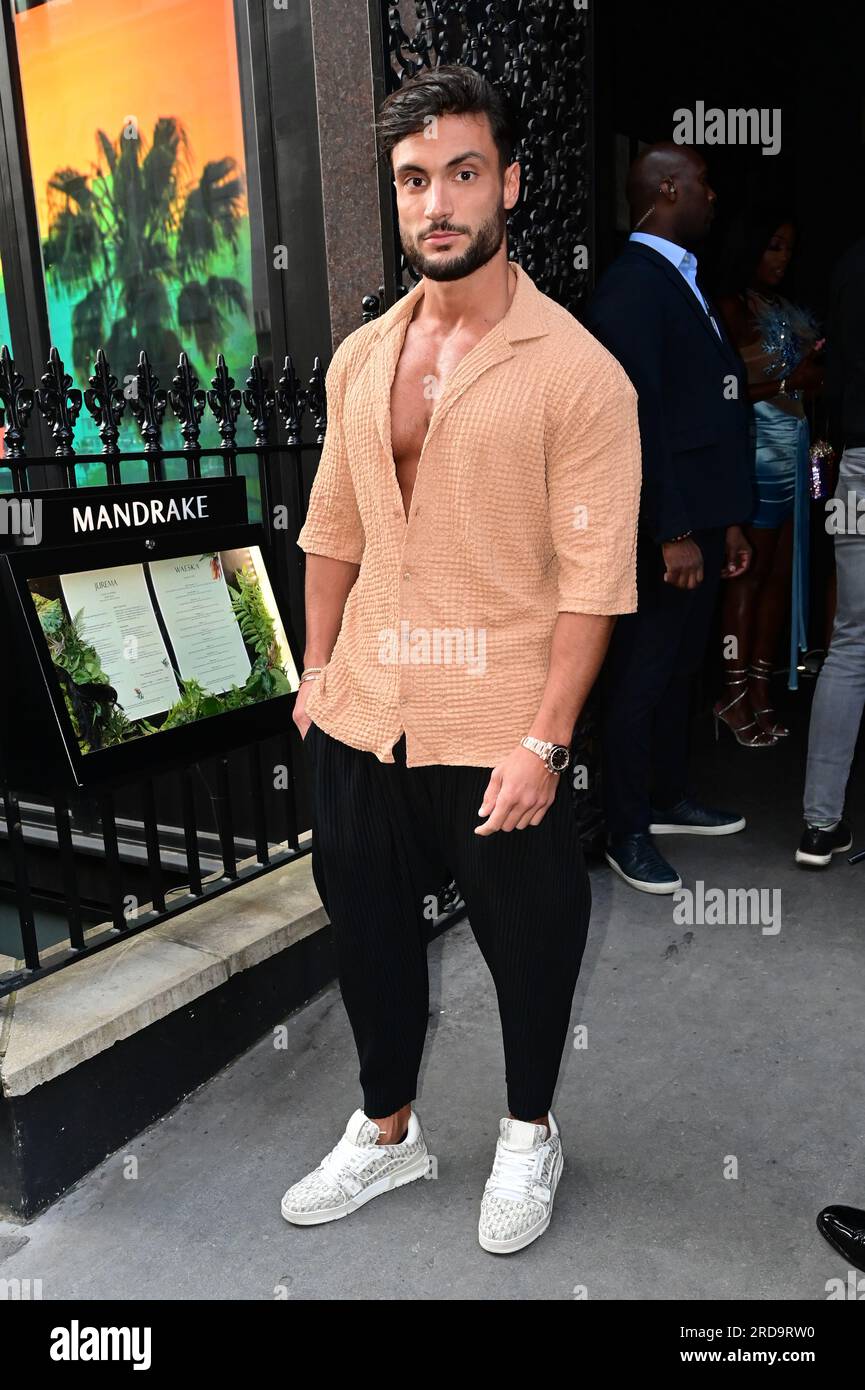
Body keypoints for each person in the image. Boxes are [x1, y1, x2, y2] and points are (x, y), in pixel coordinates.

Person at [280, 65, 642, 1254]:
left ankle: (527, 1132)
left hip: (499, 729)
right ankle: (389, 1134)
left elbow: (593, 585)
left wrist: (546, 738)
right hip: (364, 712)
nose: (437, 201)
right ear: (395, 196)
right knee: (368, 937)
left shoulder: (580, 375)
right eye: (413, 179)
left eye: (463, 174)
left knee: (530, 950)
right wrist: (316, 671)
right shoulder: (358, 360)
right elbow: (332, 527)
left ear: (510, 186)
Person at [584, 143, 754, 895]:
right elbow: (635, 420)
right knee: (641, 678)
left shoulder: (681, 279)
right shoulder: (631, 288)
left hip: (706, 523)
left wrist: (730, 525)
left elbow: (707, 412)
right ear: (666, 188)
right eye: (704, 184)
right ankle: (625, 830)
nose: (712, 197)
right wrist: (673, 530)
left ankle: (667, 796)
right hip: (666, 531)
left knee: (682, 667)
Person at [714, 209, 823, 746]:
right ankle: (731, 695)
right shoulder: (732, 307)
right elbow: (723, 393)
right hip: (755, 457)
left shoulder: (786, 307)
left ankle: (760, 690)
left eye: (789, 249)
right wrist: (791, 377)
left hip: (794, 453)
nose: (782, 258)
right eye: (774, 245)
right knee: (748, 578)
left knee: (781, 579)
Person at [795, 234, 865, 870]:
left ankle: (820, 826)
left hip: (860, 462)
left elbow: (835, 371)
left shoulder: (851, 262)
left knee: (851, 644)